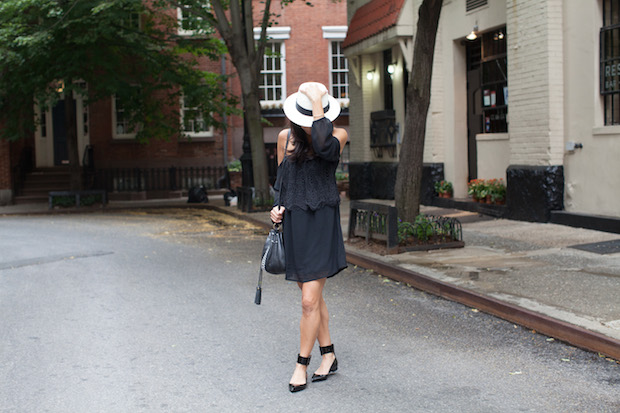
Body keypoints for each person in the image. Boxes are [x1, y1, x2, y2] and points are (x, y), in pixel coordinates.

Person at [270, 82, 348, 393]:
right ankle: (328, 355)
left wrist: (318, 103)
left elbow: (325, 147)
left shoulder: (337, 136)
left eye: (314, 114)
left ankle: (301, 364)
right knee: (312, 299)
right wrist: (275, 209)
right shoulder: (284, 138)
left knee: (307, 301)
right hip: (295, 222)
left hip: (322, 222)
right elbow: (281, 182)